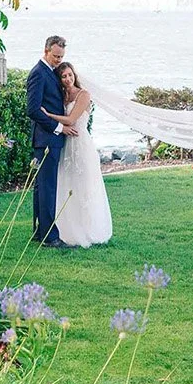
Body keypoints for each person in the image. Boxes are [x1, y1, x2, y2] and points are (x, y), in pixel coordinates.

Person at [42, 62, 113, 247]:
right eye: (64, 76)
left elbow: (72, 119)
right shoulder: (62, 95)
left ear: (75, 75)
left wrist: (48, 115)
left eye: (70, 75)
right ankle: (66, 228)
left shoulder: (84, 94)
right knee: (67, 184)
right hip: (66, 145)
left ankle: (88, 228)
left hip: (81, 145)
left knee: (84, 186)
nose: (67, 79)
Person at [26, 35, 76, 247]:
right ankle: (50, 237)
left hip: (48, 140)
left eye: (61, 56)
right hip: (46, 139)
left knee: (42, 187)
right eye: (55, 56)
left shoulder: (50, 72)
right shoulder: (38, 73)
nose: (58, 60)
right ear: (46, 51)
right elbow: (33, 109)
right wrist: (59, 128)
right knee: (47, 188)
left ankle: (40, 232)